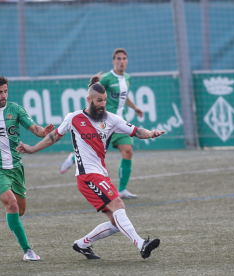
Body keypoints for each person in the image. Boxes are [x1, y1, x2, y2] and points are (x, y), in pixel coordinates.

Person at [17, 74, 165, 260]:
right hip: (87, 176)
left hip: (101, 174)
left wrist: (151, 133)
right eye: (98, 101)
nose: (102, 104)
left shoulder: (112, 119)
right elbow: (54, 136)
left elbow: (136, 131)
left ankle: (82, 244)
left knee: (115, 221)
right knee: (118, 206)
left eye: (104, 100)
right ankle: (141, 244)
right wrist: (32, 149)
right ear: (89, 100)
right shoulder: (74, 118)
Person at [0, 76, 54, 261]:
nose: (3, 95)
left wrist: (43, 132)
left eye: (5, 91)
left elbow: (34, 128)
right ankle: (28, 251)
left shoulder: (15, 109)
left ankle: (11, 214)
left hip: (15, 167)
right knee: (12, 204)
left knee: (19, 211)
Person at [60, 48, 143, 199]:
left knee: (128, 151)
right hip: (103, 121)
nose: (121, 61)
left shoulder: (128, 78)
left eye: (124, 58)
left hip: (119, 122)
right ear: (113, 61)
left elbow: (124, 97)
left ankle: (122, 189)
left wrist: (135, 107)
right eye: (118, 58)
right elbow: (94, 90)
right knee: (95, 152)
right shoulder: (107, 79)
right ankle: (74, 158)